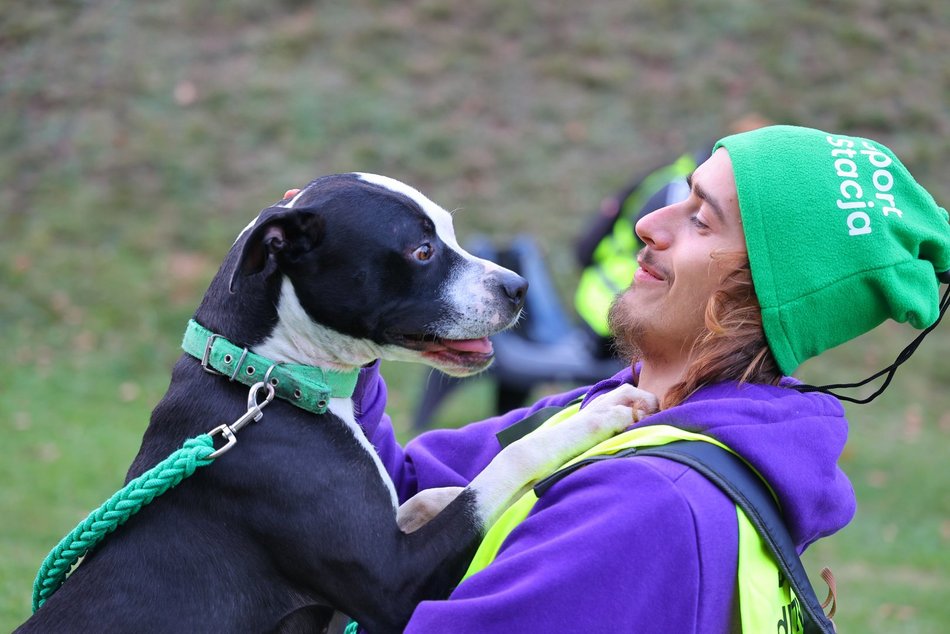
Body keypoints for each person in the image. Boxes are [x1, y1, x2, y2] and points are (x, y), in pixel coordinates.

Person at [352, 125, 950, 632]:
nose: (649, 224)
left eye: (701, 221)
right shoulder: (621, 411)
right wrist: (330, 329)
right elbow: (390, 492)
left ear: (758, 295)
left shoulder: (648, 505)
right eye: (679, 198)